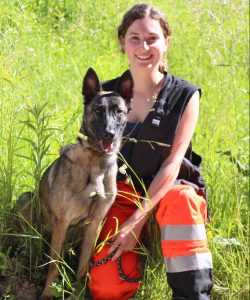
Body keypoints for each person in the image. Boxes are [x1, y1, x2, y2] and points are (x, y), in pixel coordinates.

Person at [63, 4, 213, 299]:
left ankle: (192, 293)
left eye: (152, 38)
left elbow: (172, 164)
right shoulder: (105, 95)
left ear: (166, 42)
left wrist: (137, 221)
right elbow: (88, 152)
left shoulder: (185, 94)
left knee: (182, 199)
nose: (143, 47)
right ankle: (138, 268)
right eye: (134, 38)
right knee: (105, 287)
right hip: (120, 194)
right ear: (122, 41)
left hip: (169, 191)